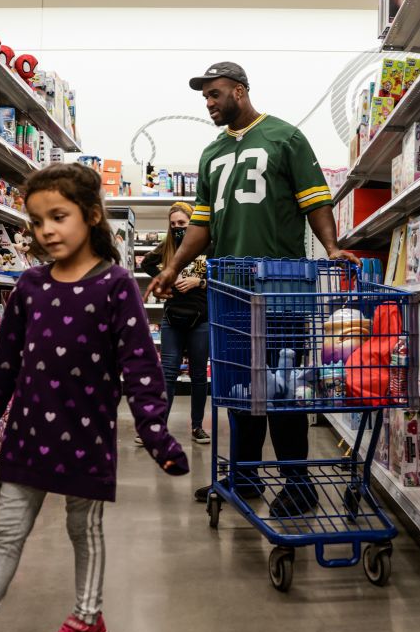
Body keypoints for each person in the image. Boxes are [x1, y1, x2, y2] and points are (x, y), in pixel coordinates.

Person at [0, 163, 189, 632]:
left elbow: (140, 368)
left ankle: (88, 620)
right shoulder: (30, 287)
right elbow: (1, 370)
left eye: (58, 216)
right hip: (28, 437)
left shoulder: (116, 285)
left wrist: (155, 433)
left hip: (86, 437)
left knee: (84, 529)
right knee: (5, 532)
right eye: (37, 222)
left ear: (92, 215)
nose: (47, 231)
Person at [147, 61, 358, 518]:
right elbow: (200, 225)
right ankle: (244, 477)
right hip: (228, 289)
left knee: (283, 389)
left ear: (239, 92)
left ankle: (299, 486)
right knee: (240, 390)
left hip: (281, 285)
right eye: (204, 96)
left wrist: (332, 247)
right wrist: (173, 267)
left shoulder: (284, 137)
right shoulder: (211, 154)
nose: (209, 103)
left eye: (215, 94)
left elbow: (315, 200)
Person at [139, 201, 211, 446]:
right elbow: (147, 263)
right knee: (167, 374)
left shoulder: (208, 246)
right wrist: (164, 279)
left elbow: (222, 274)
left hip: (202, 318)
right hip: (172, 318)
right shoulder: (168, 247)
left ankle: (197, 426)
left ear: (193, 223)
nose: (178, 228)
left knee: (199, 375)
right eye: (173, 225)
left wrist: (198, 282)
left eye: (183, 223)